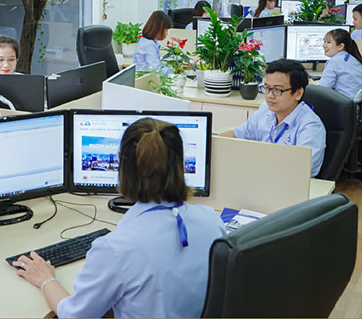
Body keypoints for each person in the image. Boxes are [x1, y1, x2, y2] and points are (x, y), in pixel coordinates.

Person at [13, 118, 227, 318]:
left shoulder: (116, 248)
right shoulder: (212, 221)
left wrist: (46, 279)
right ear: (183, 167)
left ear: (121, 169)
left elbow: (74, 314)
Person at [221, 59, 326, 177]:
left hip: (288, 182)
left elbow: (300, 170)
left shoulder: (310, 127)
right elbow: (236, 134)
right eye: (267, 88)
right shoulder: (266, 109)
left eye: (277, 90)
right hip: (259, 175)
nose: (269, 96)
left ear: (298, 93)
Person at [313, 29, 362, 100]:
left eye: (329, 42)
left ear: (340, 46)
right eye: (324, 42)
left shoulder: (334, 61)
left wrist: (312, 84)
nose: (324, 45)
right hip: (356, 102)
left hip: (344, 102)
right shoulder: (352, 58)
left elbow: (322, 89)